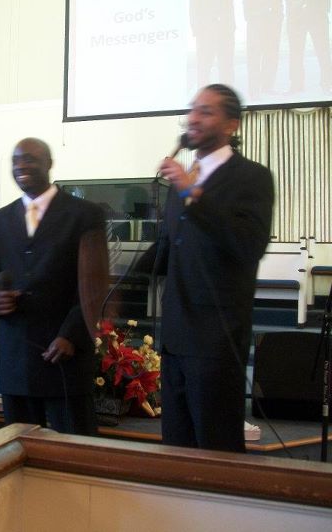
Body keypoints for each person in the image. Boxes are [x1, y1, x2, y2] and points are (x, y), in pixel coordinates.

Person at [141, 84, 274, 452]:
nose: (193, 118)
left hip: (216, 339)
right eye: (192, 109)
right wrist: (116, 283)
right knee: (176, 449)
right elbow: (168, 249)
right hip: (175, 338)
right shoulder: (181, 183)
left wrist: (193, 193)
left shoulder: (251, 177)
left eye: (206, 111)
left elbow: (248, 245)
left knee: (217, 450)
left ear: (232, 124)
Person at [0, 138, 108, 436]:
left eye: (30, 159)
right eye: (16, 160)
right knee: (18, 447)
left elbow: (94, 283)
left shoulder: (85, 214)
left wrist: (71, 335)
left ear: (49, 164)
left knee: (75, 450)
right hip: (16, 354)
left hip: (64, 354)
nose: (21, 166)